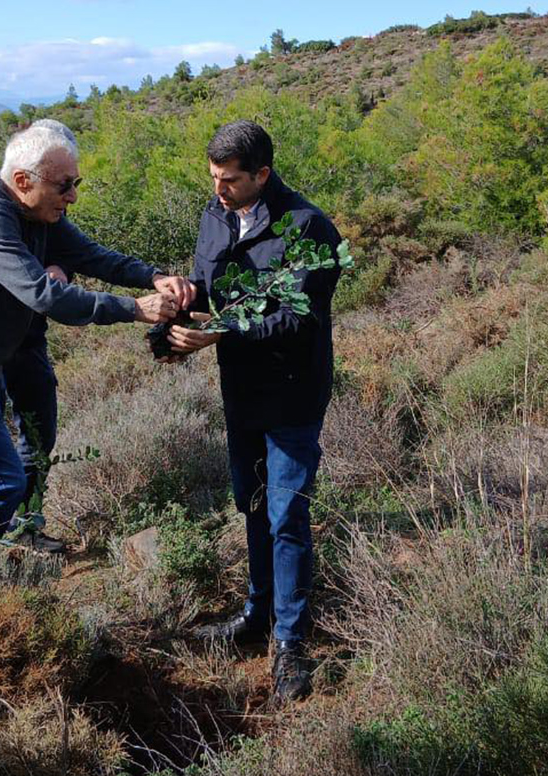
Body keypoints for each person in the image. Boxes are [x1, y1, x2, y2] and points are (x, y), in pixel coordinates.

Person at [0, 122, 193, 562]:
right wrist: (134, 308)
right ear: (23, 180)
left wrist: (152, 277)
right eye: (64, 185)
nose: (72, 196)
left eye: (76, 183)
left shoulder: (36, 211)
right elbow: (44, 294)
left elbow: (90, 255)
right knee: (2, 481)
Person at [166, 120, 343, 702]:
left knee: (287, 514)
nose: (219, 190)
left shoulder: (308, 226)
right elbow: (207, 283)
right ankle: (258, 614)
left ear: (262, 174)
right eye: (213, 178)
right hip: (240, 390)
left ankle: (290, 642)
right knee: (254, 503)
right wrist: (182, 300)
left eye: (231, 180)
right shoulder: (216, 214)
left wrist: (222, 331)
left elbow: (299, 319)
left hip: (292, 392)